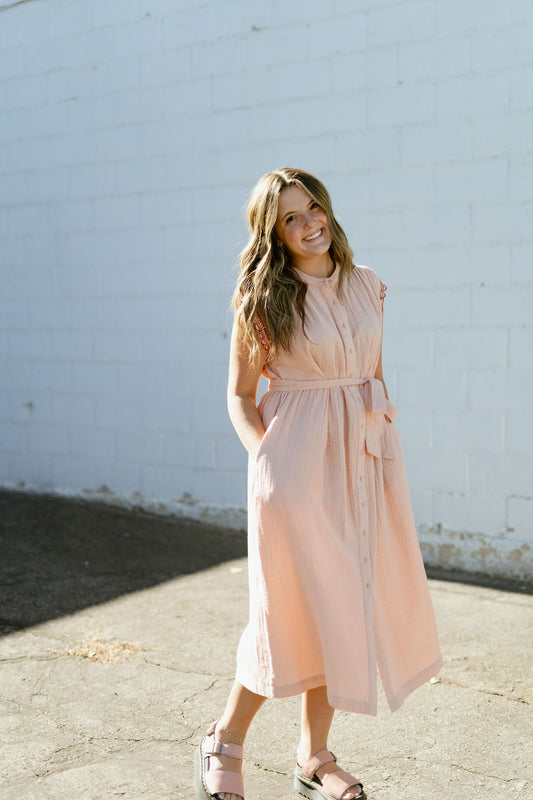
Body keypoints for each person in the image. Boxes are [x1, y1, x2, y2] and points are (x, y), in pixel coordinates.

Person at [194, 168, 443, 800]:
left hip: (364, 461)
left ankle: (313, 755)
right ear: (273, 233)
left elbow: (374, 378)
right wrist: (267, 462)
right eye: (291, 218)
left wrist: (382, 457)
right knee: (286, 611)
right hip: (295, 469)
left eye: (314, 209)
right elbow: (240, 395)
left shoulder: (367, 287)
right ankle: (224, 740)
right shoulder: (262, 295)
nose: (310, 224)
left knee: (346, 605)